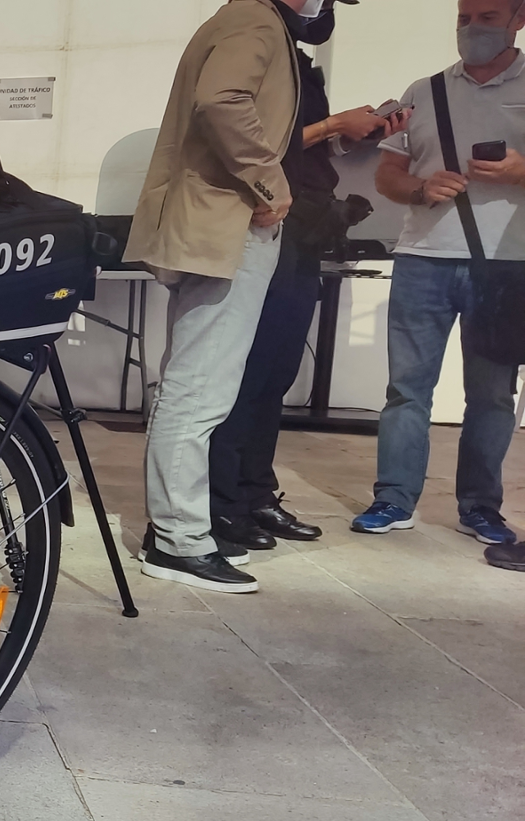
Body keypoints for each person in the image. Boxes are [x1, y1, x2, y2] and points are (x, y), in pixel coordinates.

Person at [125, 0, 317, 594]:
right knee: (198, 388)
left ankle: (178, 530)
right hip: (229, 225)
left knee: (194, 383)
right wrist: (269, 180)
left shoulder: (243, 17)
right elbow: (221, 99)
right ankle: (178, 541)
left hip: (219, 223)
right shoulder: (257, 19)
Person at [208, 4, 408, 553]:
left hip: (304, 223)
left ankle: (254, 492)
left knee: (276, 371)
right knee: (247, 372)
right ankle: (221, 502)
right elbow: (242, 137)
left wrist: (348, 134)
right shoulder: (250, 37)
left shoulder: (293, 57)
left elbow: (292, 144)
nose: (322, 6)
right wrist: (334, 125)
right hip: (264, 220)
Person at [350, 0, 525, 545]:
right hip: (423, 259)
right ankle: (393, 498)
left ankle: (480, 507)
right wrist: (421, 189)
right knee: (407, 389)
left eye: (488, 18)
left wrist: (520, 170)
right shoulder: (424, 91)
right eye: (464, 18)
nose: (472, 29)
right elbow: (389, 174)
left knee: (493, 395)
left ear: (518, 18)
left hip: (508, 265)